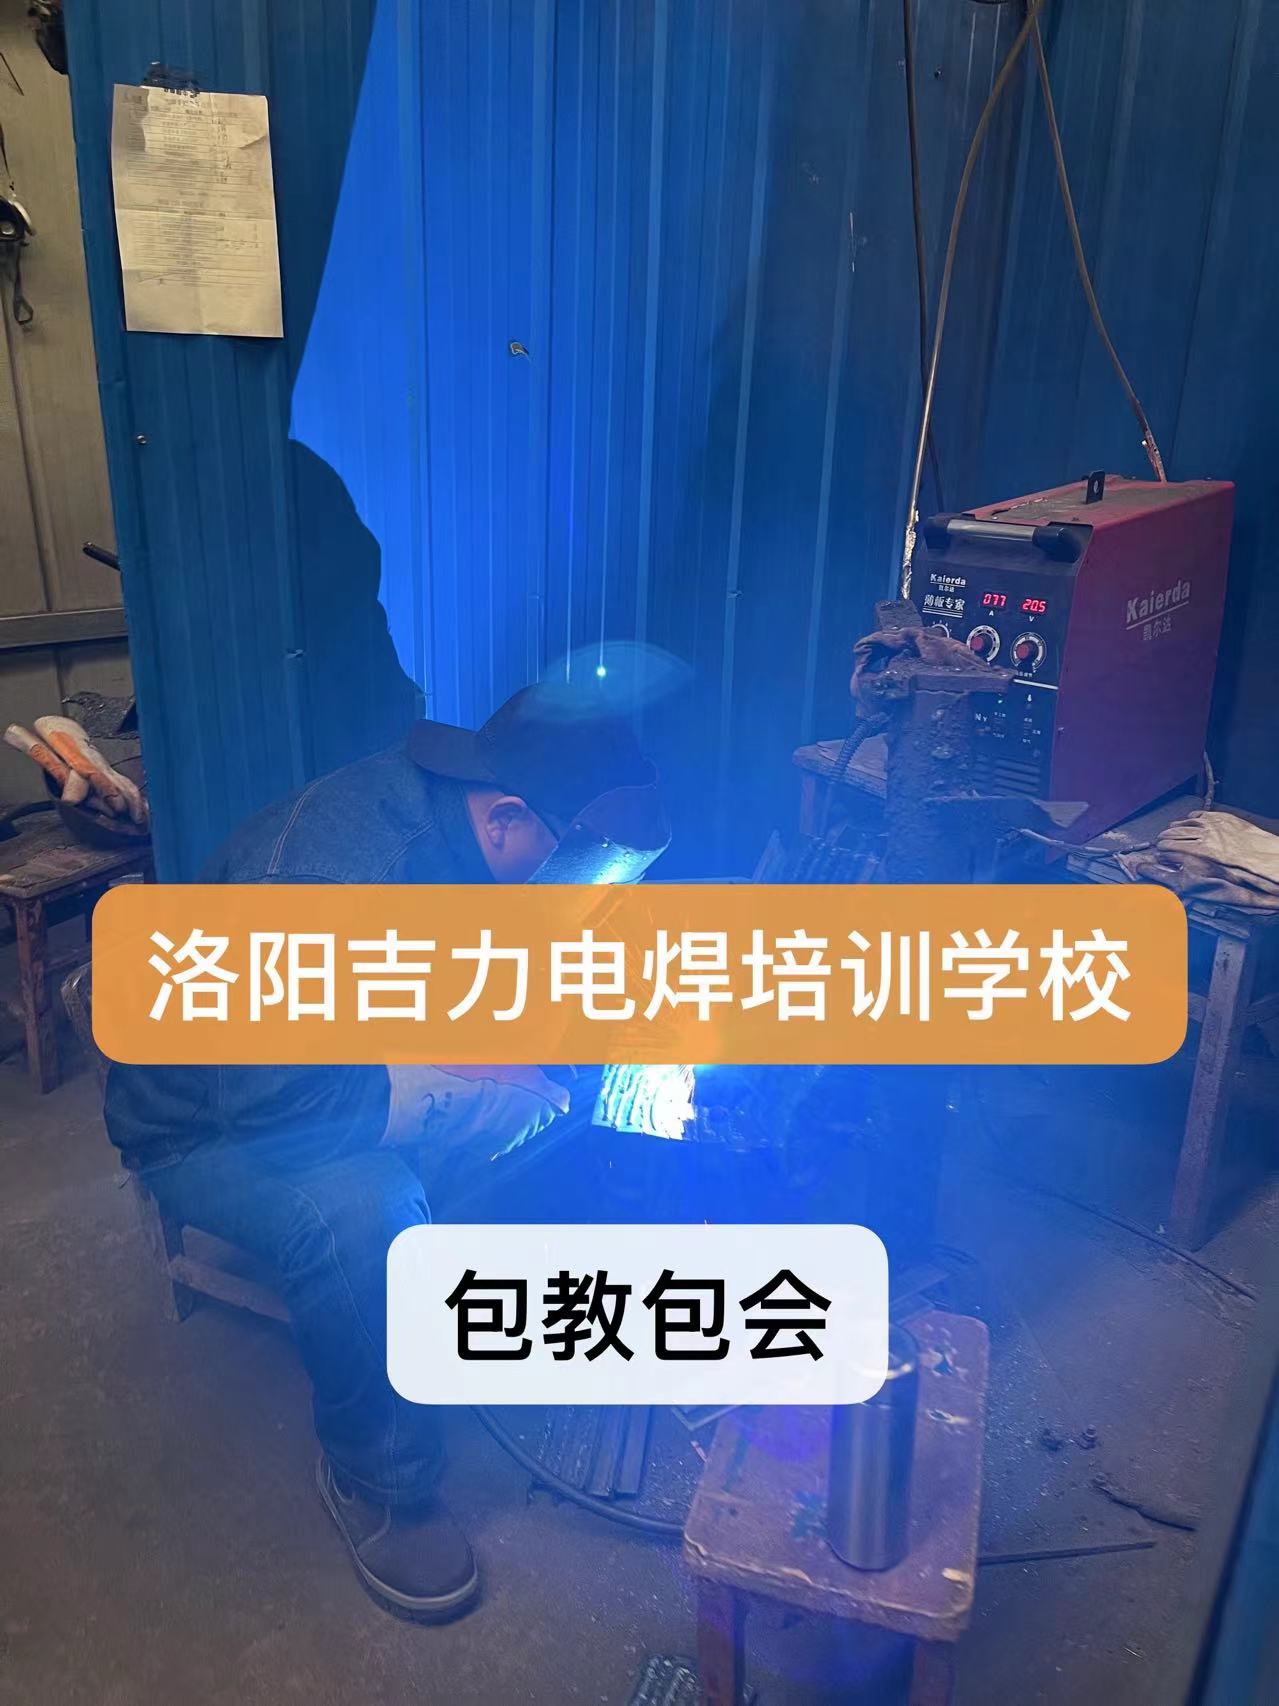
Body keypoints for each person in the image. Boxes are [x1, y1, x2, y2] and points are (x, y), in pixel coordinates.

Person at [104, 683, 669, 1621]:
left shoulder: (467, 827)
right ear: (507, 819)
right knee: (368, 1212)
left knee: (560, 1071)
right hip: (208, 1116)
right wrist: (466, 1094)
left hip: (318, 1058)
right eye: (575, 871)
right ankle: (379, 1479)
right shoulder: (326, 884)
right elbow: (275, 1099)